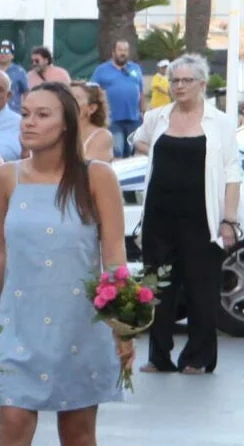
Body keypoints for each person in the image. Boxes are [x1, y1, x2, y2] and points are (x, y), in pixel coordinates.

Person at [0, 84, 130, 446]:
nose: (28, 122)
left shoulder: (96, 178)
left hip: (79, 321)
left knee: (77, 429)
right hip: (19, 318)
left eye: (41, 114)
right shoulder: (6, 178)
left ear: (66, 123)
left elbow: (114, 253)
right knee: (13, 421)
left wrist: (123, 323)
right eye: (25, 113)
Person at [134, 54, 239, 375]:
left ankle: (198, 357)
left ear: (202, 84)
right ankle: (159, 356)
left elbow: (232, 172)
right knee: (158, 287)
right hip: (159, 216)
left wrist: (229, 219)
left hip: (201, 217)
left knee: (200, 288)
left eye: (186, 81)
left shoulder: (219, 121)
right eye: (174, 80)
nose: (178, 86)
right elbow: (140, 143)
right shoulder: (158, 117)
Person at [92, 39, 144, 156]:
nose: (123, 53)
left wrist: (142, 111)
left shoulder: (135, 68)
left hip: (134, 119)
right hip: (113, 119)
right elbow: (94, 91)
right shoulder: (101, 70)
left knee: (133, 152)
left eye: (125, 50)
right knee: (117, 152)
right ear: (113, 52)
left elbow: (140, 91)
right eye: (120, 50)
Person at [69, 82, 116, 164]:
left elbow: (87, 171)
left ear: (91, 108)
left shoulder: (102, 136)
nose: (68, 102)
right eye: (66, 97)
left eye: (76, 99)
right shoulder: (58, 132)